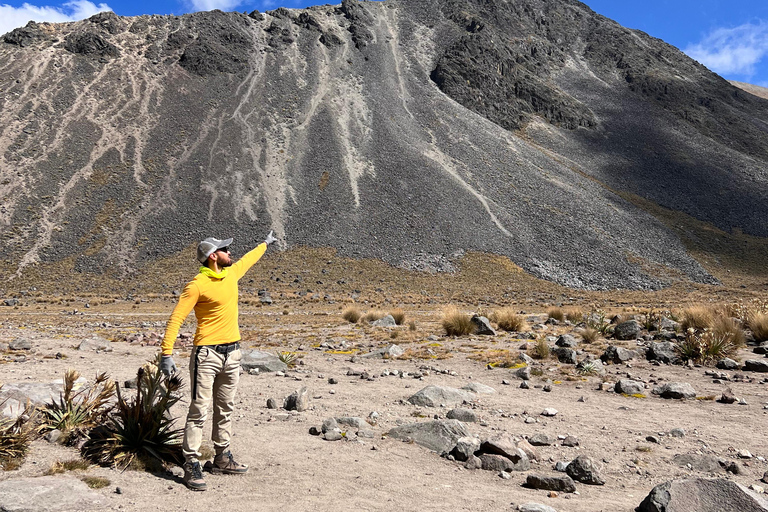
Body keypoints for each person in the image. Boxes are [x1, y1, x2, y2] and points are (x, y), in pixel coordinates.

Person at [160, 231, 277, 491]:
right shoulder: (197, 285)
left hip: (232, 354)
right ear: (213, 256)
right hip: (207, 355)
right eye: (225, 250)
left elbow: (249, 259)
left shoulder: (231, 274)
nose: (230, 253)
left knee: (226, 407)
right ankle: (191, 462)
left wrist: (265, 244)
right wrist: (166, 354)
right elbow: (176, 318)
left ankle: (222, 457)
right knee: (199, 410)